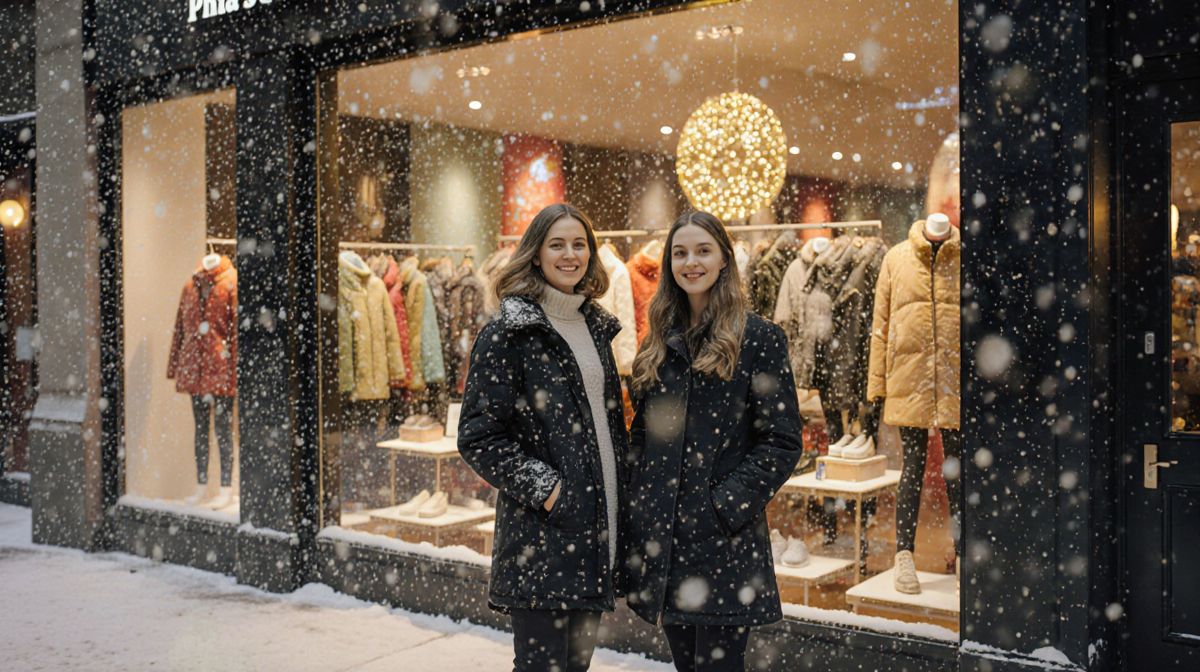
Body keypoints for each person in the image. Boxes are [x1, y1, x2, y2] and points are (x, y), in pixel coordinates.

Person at [625, 211, 803, 671]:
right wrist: (642, 502)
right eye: (680, 253)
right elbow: (642, 436)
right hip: (666, 539)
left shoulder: (759, 339)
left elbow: (781, 442)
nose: (691, 262)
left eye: (703, 250)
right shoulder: (659, 341)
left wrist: (721, 506)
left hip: (724, 542)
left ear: (724, 258)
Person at [458, 203, 630, 672]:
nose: (569, 254)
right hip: (543, 539)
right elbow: (478, 435)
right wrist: (551, 491)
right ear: (535, 254)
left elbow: (603, 424)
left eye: (580, 244)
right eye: (557, 244)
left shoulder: (595, 328)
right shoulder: (508, 333)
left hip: (596, 532)